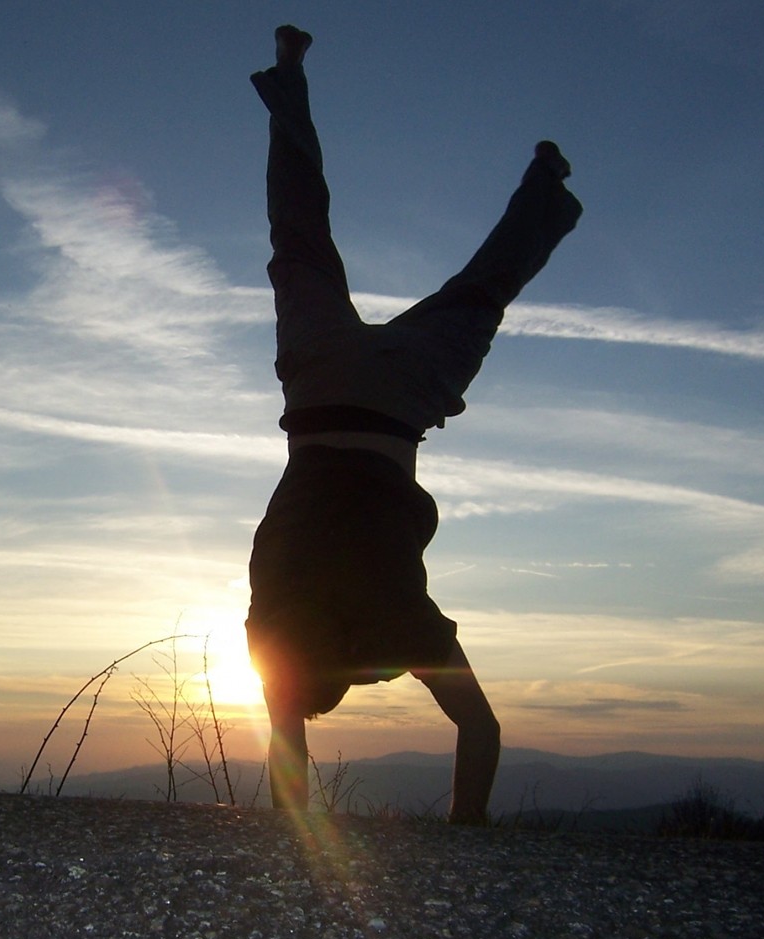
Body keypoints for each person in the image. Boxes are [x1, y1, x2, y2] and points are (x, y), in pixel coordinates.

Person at [245, 25, 582, 823]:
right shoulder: (275, 632)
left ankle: (547, 188)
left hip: (399, 402)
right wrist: (296, 824)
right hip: (319, 386)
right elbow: (286, 744)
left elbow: (482, 729)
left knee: (479, 291)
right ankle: (288, 76)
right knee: (298, 236)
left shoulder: (402, 628)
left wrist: (466, 836)